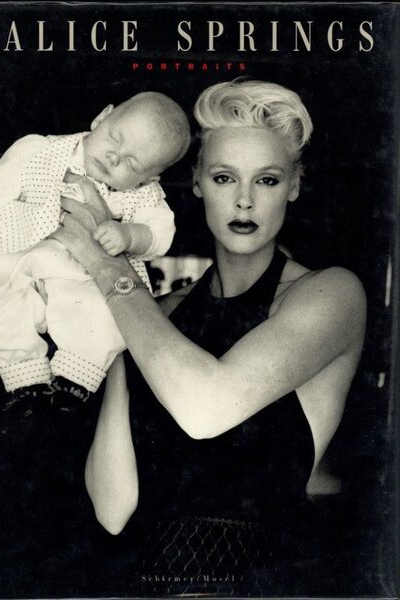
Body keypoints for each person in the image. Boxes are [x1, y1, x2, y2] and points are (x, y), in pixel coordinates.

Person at [52, 79, 366, 596]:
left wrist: (109, 269)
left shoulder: (331, 294)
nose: (244, 201)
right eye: (223, 177)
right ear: (196, 181)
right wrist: (118, 319)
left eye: (267, 180)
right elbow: (112, 508)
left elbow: (204, 411)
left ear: (294, 185)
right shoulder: (154, 314)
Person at [0, 92, 190, 411]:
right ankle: (22, 375)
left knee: (104, 315)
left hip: (83, 274)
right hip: (21, 254)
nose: (114, 157)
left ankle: (76, 377)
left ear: (148, 178)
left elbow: (161, 234)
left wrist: (130, 234)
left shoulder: (144, 195)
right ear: (102, 117)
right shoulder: (37, 150)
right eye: (114, 138)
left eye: (131, 163)